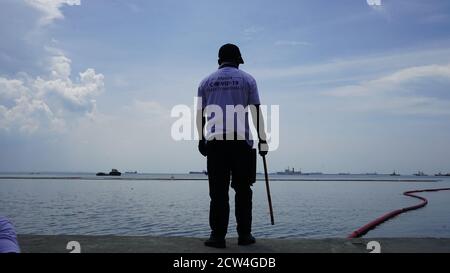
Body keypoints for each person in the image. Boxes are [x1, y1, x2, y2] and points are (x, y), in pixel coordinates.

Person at [196, 43, 268, 248]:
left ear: (219, 61)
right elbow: (255, 111)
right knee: (243, 190)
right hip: (241, 144)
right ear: (238, 60)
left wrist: (201, 139)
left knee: (218, 192)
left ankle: (217, 237)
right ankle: (244, 235)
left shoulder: (205, 82)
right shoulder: (248, 79)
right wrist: (263, 140)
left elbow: (200, 114)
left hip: (216, 143)